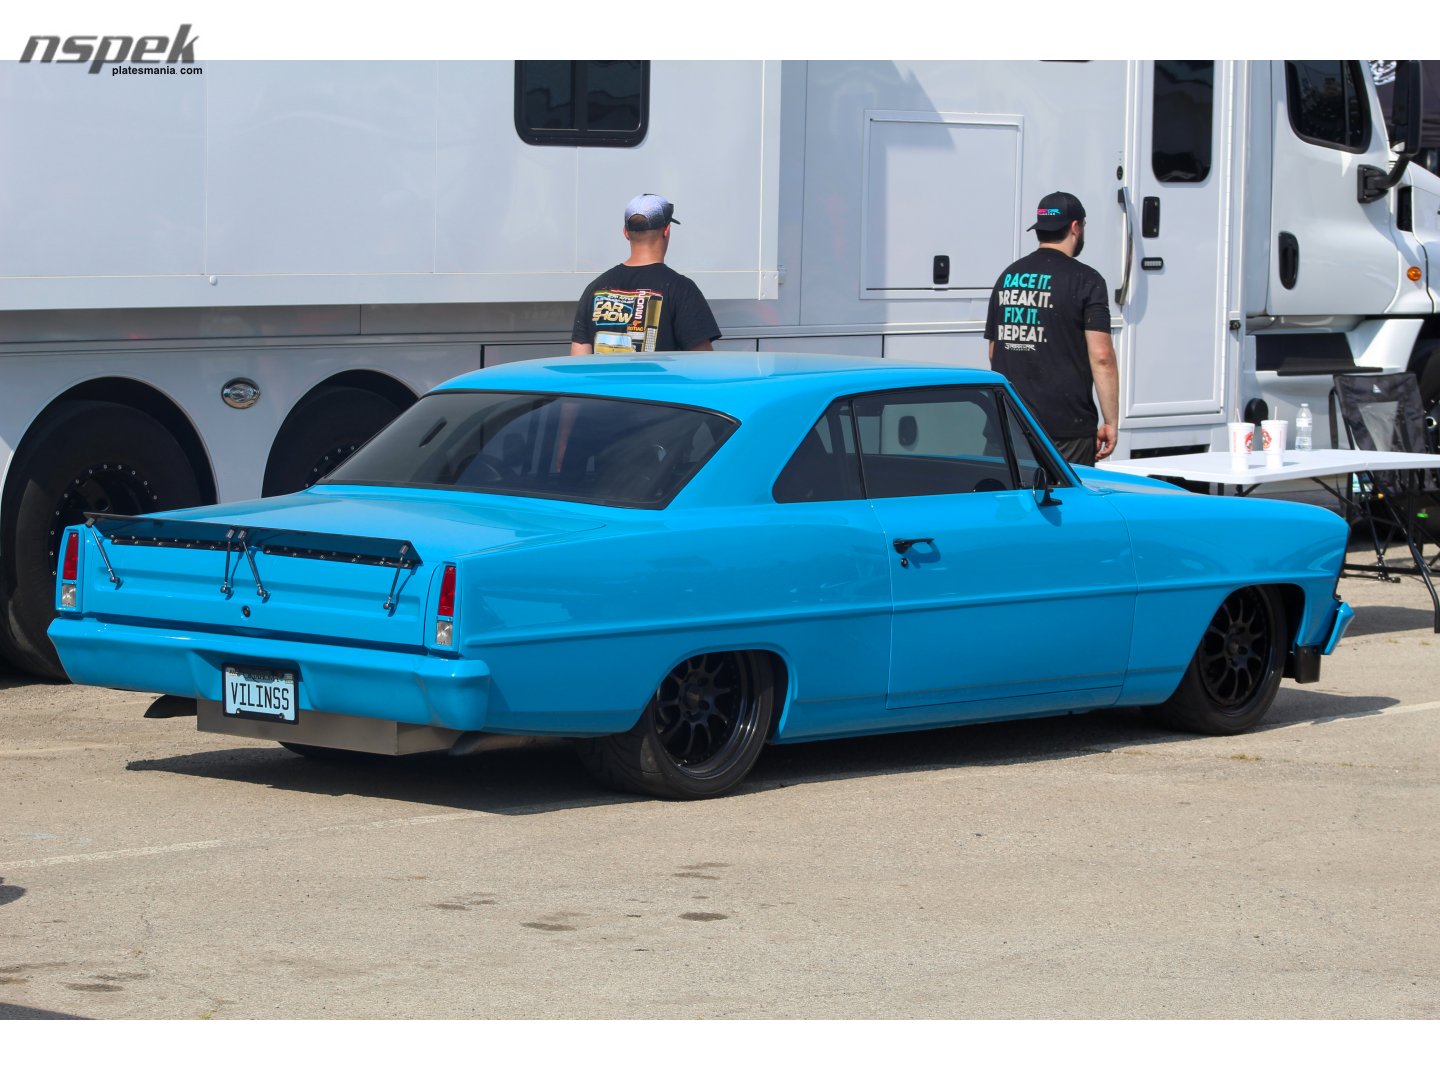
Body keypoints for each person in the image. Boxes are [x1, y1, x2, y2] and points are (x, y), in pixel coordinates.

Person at [983, 191, 1119, 466]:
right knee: (1066, 507)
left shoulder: (1008, 276)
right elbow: (1102, 356)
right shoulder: (1086, 280)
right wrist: (1111, 421)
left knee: (1008, 506)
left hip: (1007, 422)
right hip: (1065, 429)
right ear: (1075, 227)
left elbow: (994, 350)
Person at [570, 194, 721, 355]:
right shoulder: (682, 289)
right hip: (657, 381)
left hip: (606, 381)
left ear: (626, 233)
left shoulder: (594, 289)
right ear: (666, 231)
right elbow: (703, 363)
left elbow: (578, 360)